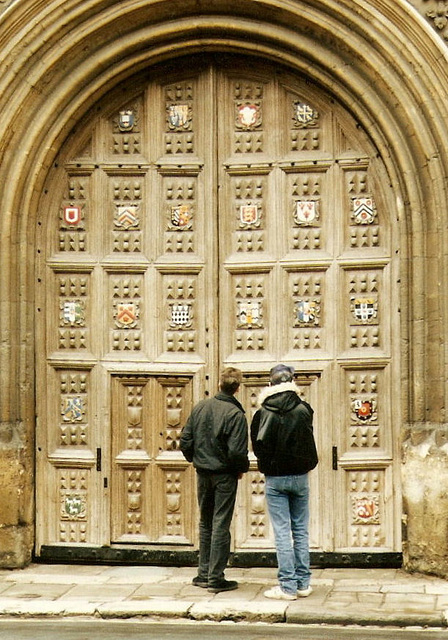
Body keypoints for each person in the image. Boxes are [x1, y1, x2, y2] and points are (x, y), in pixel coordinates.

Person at [250, 364, 318, 601]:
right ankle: (303, 583)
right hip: (300, 477)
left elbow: (257, 447)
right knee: (300, 530)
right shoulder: (303, 409)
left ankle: (287, 586)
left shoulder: (261, 414)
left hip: (276, 478)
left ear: (270, 385)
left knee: (281, 532)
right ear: (292, 382)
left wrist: (269, 463)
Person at [180, 367, 249, 593]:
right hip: (224, 475)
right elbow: (237, 452)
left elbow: (185, 439)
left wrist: (196, 459)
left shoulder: (201, 407)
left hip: (203, 473)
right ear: (237, 388)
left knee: (205, 521)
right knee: (220, 523)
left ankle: (203, 573)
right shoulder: (235, 415)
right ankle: (216, 577)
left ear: (219, 384)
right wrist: (239, 469)